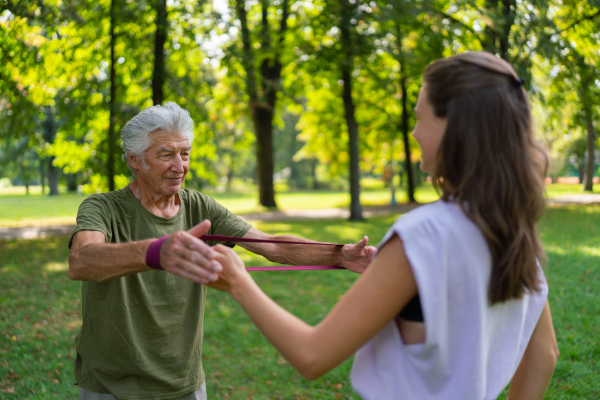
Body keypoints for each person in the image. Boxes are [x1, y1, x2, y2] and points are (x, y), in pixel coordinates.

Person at [207, 52, 560, 400]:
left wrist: (239, 281)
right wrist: (397, 282)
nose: (414, 132)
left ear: (454, 127)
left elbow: (311, 356)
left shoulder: (423, 234)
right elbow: (544, 355)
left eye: (420, 118)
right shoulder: (513, 232)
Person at [67, 102, 376, 400]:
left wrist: (338, 254)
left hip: (183, 382)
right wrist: (155, 252)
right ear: (135, 159)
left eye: (185, 154)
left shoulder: (200, 207)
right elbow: (81, 261)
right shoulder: (102, 208)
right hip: (111, 386)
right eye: (166, 155)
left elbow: (271, 246)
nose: (180, 166)